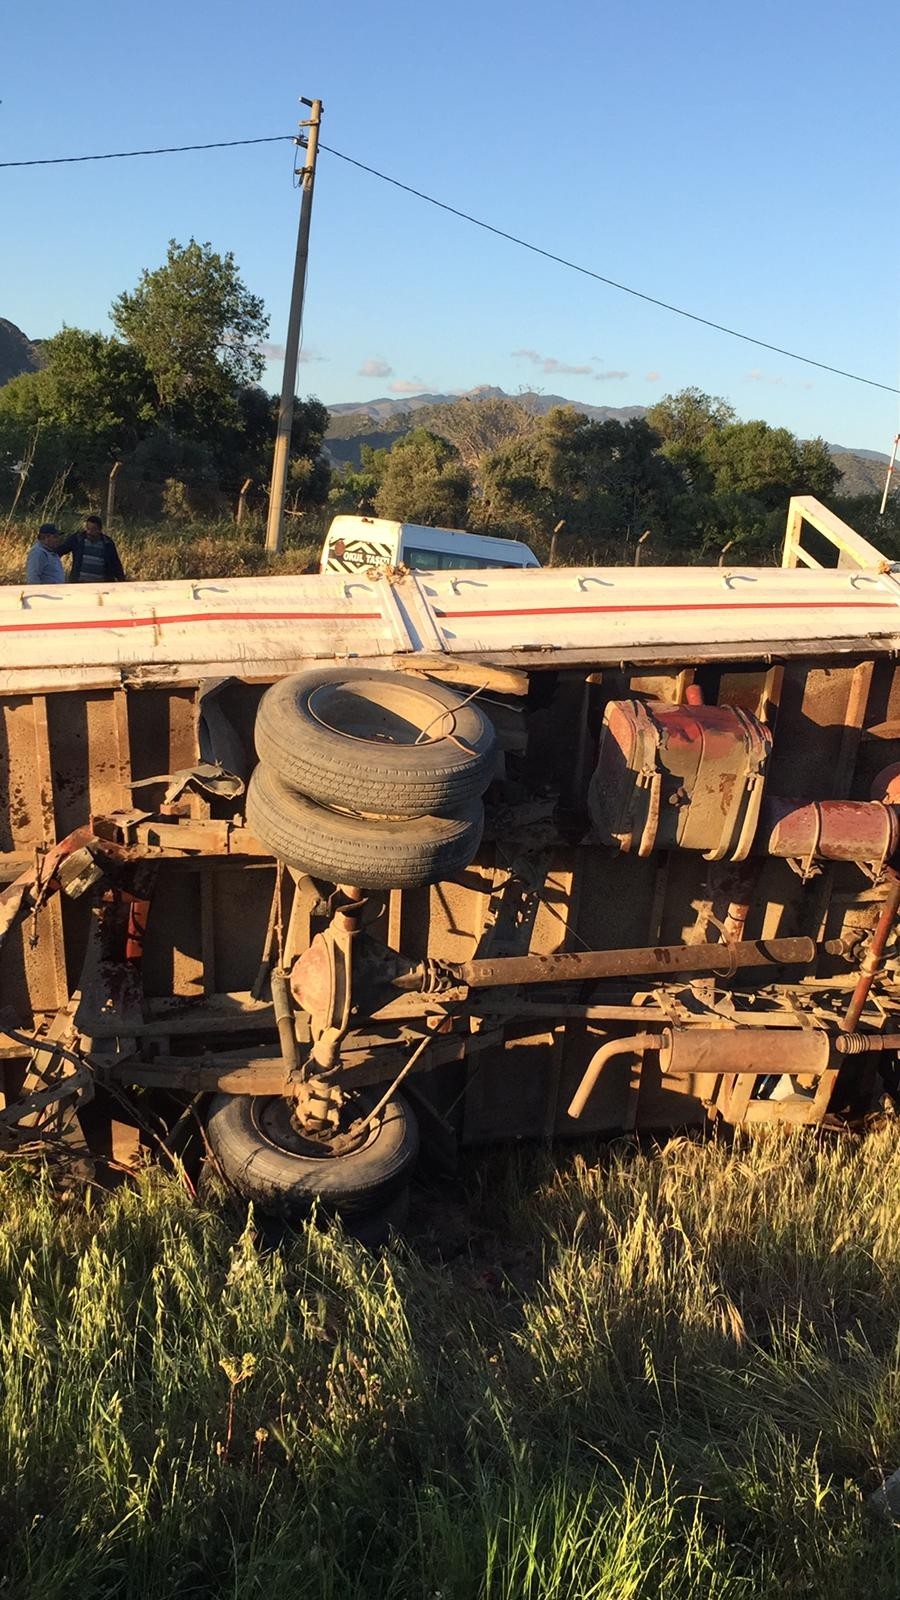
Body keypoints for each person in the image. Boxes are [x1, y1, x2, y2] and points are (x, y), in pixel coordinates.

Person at [59, 514, 126, 583]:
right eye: (88, 528)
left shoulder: (107, 543)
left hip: (101, 585)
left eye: (93, 529)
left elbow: (116, 563)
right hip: (79, 584)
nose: (89, 532)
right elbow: (61, 550)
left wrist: (122, 581)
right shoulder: (77, 539)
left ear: (100, 530)